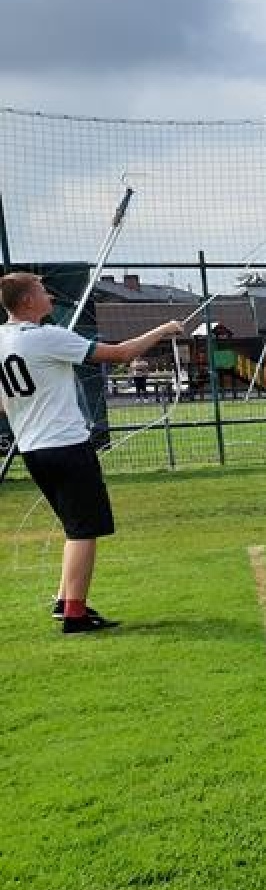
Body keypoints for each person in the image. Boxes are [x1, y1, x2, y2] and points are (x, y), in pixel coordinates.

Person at [0, 271, 183, 633]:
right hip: (66, 447)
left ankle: (64, 601)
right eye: (42, 292)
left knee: (75, 527)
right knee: (84, 531)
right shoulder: (47, 337)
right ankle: (75, 614)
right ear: (27, 301)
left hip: (33, 449)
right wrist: (165, 329)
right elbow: (121, 353)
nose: (50, 298)